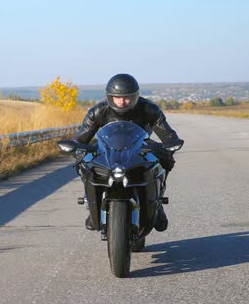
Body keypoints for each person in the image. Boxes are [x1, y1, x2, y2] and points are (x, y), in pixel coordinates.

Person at [72, 73, 183, 233]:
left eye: (127, 98)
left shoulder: (149, 109)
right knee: (83, 159)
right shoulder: (98, 111)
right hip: (107, 149)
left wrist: (170, 144)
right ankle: (92, 204)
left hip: (140, 147)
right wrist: (77, 148)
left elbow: (167, 133)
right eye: (117, 97)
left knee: (165, 156)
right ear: (110, 97)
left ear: (135, 96)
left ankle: (157, 200)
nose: (122, 102)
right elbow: (81, 137)